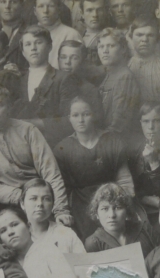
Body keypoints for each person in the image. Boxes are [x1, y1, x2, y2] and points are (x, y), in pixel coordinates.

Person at [0, 83, 72, 225]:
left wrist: (61, 210)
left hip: (41, 198)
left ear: (8, 107)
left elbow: (50, 172)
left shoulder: (28, 130)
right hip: (8, 204)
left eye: (0, 105)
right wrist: (18, 196)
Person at [53, 94, 136, 241]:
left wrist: (126, 206)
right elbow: (61, 186)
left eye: (86, 114)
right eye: (75, 115)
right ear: (69, 118)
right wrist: (63, 211)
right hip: (81, 205)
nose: (81, 120)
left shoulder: (112, 141)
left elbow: (124, 179)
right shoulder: (63, 148)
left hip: (111, 200)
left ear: (94, 115)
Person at [9, 25, 75, 143]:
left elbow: (70, 120)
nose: (33, 48)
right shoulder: (18, 79)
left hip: (51, 144)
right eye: (28, 44)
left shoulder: (63, 78)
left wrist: (30, 124)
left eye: (38, 42)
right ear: (23, 52)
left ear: (50, 46)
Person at [127, 19, 160, 133]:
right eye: (139, 35)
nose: (144, 39)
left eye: (150, 35)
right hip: (130, 133)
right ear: (131, 38)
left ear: (157, 40)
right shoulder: (125, 68)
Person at [83, 182, 160, 254]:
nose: (112, 215)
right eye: (105, 209)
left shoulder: (145, 229)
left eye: (118, 207)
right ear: (96, 213)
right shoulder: (93, 243)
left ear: (127, 211)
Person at [93, 28, 143, 137]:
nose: (105, 51)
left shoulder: (125, 77)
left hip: (116, 140)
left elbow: (119, 124)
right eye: (101, 47)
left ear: (123, 49)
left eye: (111, 46)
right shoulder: (109, 74)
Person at [32, 0, 81, 65]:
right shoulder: (29, 35)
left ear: (59, 9)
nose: (45, 11)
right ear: (35, 11)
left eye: (51, 6)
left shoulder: (71, 35)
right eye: (41, 6)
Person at [0, 0, 28, 68]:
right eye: (3, 2)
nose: (7, 6)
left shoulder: (28, 33)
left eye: (12, 2)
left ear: (22, 5)